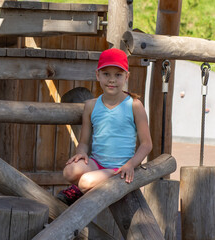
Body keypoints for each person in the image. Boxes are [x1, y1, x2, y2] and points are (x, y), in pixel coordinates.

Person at [57, 48, 152, 206]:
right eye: (106, 74)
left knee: (85, 181)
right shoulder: (91, 106)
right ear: (98, 75)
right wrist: (81, 153)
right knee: (69, 170)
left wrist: (130, 165)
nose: (112, 80)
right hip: (96, 162)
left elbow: (147, 144)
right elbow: (84, 141)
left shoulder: (134, 105)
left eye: (118, 75)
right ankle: (87, 187)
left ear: (126, 76)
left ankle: (80, 190)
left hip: (120, 168)